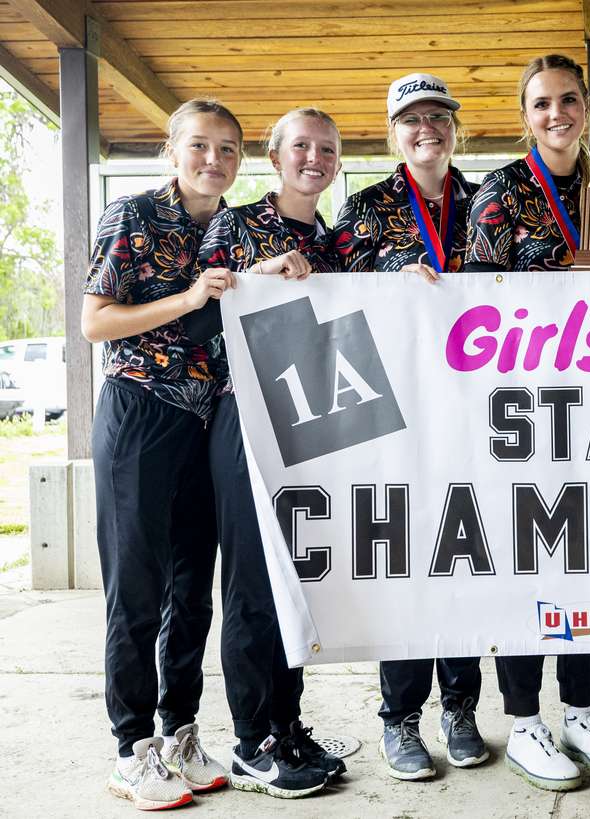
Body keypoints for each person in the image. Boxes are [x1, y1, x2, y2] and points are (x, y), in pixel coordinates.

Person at [464, 54, 590, 792]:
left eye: (568, 100)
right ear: (524, 114)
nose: (556, 112)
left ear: (586, 112)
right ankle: (526, 718)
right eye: (541, 103)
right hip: (528, 407)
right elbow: (473, 308)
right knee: (530, 560)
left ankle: (580, 710)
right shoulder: (501, 192)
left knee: (588, 561)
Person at [82, 98, 238, 811]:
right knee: (136, 595)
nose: (214, 160)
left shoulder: (232, 226)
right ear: (171, 152)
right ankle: (130, 748)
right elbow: (95, 321)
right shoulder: (133, 215)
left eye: (228, 149)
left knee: (188, 594)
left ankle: (179, 731)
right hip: (139, 413)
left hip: (201, 423)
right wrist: (184, 299)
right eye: (200, 146)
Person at [331, 73, 488, 781]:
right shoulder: (363, 209)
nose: (427, 128)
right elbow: (329, 304)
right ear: (392, 133)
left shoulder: (489, 201)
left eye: (438, 117)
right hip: (397, 416)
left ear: (456, 128)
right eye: (411, 120)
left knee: (465, 559)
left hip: (481, 412)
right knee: (405, 563)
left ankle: (460, 706)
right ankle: (399, 717)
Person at [195, 107, 350, 798]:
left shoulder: (340, 242)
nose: (313, 157)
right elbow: (199, 314)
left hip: (318, 425)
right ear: (274, 155)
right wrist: (254, 275)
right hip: (247, 417)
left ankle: (287, 722)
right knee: (253, 585)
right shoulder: (236, 224)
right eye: (300, 147)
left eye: (327, 148)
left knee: (296, 581)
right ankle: (252, 737)